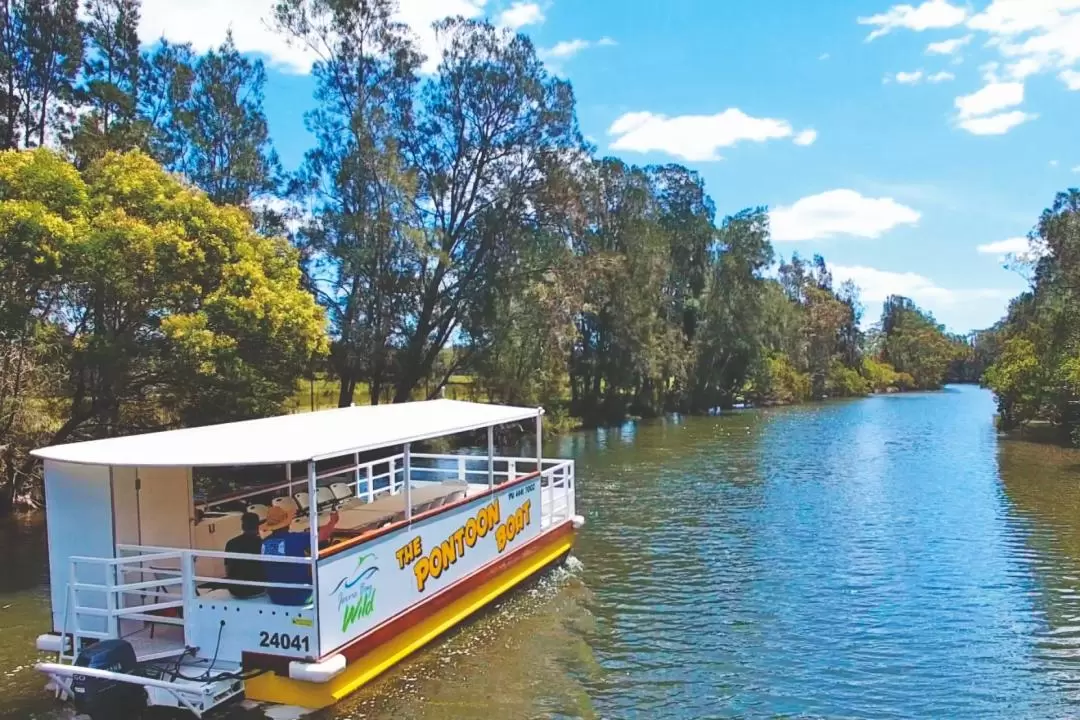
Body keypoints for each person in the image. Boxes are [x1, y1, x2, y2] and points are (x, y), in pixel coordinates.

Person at [260, 505, 340, 606]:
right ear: (288, 523)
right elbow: (323, 535)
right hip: (302, 595)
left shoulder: (264, 544)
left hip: (276, 596)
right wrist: (332, 522)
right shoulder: (296, 539)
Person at [223, 512, 265, 599]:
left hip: (235, 590)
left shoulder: (231, 543)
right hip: (258, 589)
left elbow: (227, 569)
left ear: (242, 526)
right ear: (258, 526)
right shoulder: (263, 544)